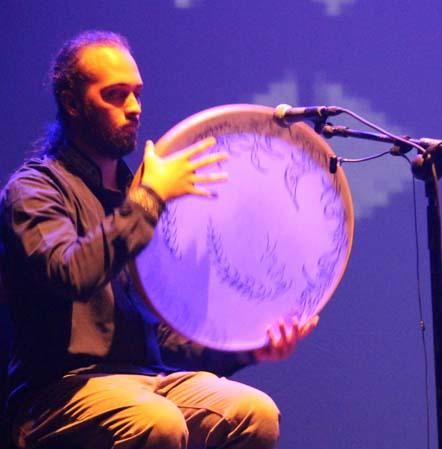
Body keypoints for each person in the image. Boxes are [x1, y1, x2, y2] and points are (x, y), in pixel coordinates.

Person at [0, 30, 318, 449]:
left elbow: (165, 340)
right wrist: (149, 201)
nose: (133, 108)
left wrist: (250, 350)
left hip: (148, 381)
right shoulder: (35, 190)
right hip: (58, 393)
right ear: (73, 103)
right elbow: (71, 272)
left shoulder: (137, 195)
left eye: (136, 94)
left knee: (253, 414)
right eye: (115, 95)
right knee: (158, 422)